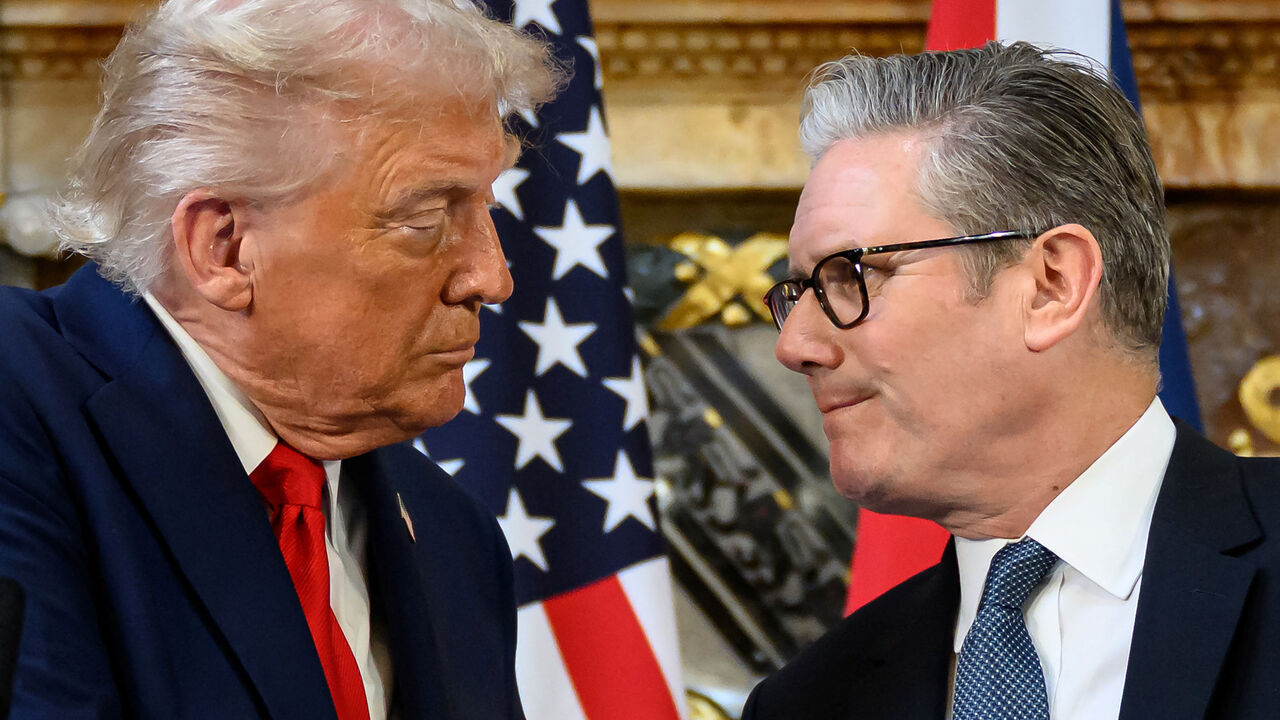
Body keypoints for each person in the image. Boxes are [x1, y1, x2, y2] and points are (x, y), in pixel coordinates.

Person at [0, 1, 560, 717]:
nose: (491, 276)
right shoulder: (20, 405)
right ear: (224, 247)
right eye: (425, 220)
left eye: (486, 210)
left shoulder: (455, 537)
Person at [743, 42, 1280, 720]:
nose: (793, 346)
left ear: (1052, 285)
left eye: (851, 276)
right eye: (797, 291)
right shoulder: (809, 704)